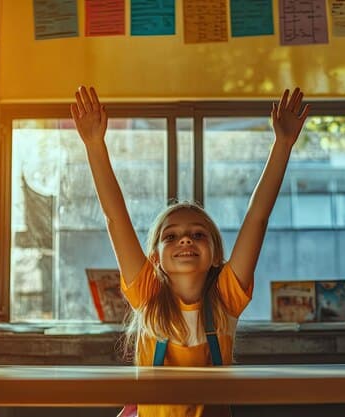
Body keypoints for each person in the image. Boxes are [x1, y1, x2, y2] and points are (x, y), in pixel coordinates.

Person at [70, 85, 310, 417]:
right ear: (155, 258)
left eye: (198, 234)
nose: (185, 240)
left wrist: (282, 145)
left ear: (216, 255)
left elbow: (258, 217)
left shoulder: (227, 296)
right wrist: (94, 145)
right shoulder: (147, 293)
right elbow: (115, 218)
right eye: (171, 236)